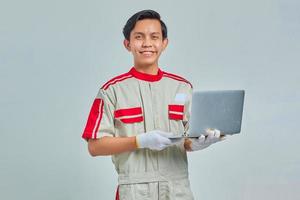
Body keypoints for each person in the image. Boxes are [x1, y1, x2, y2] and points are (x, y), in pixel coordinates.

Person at [81, 9, 227, 200]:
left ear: (164, 43)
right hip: (134, 190)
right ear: (128, 44)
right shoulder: (111, 91)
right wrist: (139, 141)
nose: (147, 43)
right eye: (139, 37)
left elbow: (186, 139)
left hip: (178, 189)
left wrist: (198, 144)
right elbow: (95, 146)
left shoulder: (182, 88)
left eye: (154, 37)